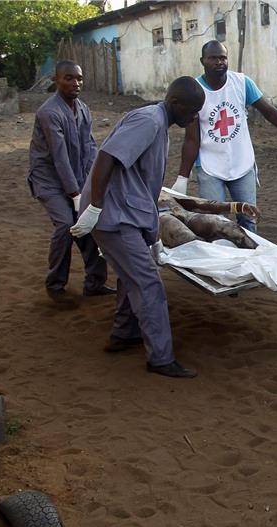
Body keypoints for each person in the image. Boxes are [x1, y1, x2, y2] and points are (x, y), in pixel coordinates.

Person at [70, 77, 205, 378]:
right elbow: (106, 158)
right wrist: (94, 208)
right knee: (148, 282)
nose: (195, 117)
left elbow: (143, 181)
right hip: (113, 217)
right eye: (193, 111)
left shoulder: (159, 124)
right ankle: (160, 357)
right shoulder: (149, 121)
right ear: (176, 104)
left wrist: (151, 225)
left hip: (127, 213)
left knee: (133, 275)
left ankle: (124, 332)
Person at [169, 40, 277, 232]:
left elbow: (269, 112)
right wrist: (183, 177)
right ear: (202, 61)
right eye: (213, 58)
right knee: (214, 222)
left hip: (242, 163)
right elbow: (192, 138)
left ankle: (250, 259)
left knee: (249, 219)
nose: (219, 62)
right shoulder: (196, 91)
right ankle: (223, 260)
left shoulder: (241, 83)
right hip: (210, 166)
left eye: (223, 58)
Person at [27, 60, 113, 305]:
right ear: (56, 80)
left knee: (92, 223)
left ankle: (95, 283)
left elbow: (89, 147)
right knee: (66, 225)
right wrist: (76, 195)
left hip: (76, 177)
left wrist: (93, 182)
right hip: (49, 180)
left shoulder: (83, 109)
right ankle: (55, 286)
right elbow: (59, 156)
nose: (75, 83)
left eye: (79, 78)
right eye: (69, 78)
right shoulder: (48, 112)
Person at [157, 190, 260, 249]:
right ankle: (215, 259)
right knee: (183, 234)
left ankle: (261, 255)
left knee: (226, 226)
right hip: (156, 217)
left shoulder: (158, 188)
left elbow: (198, 204)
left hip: (184, 214)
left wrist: (238, 207)